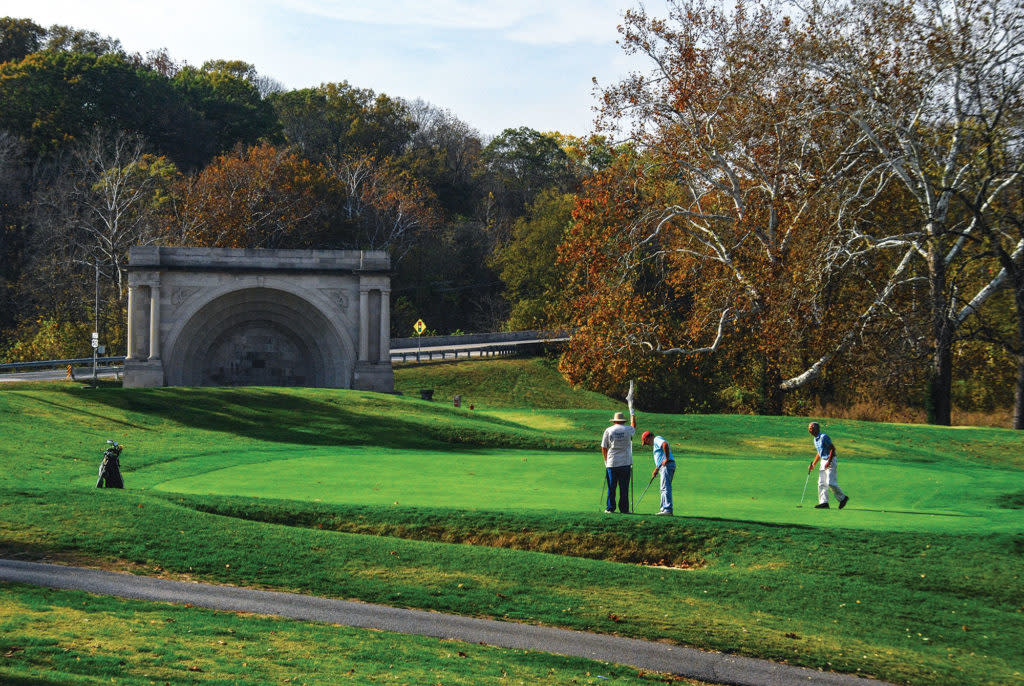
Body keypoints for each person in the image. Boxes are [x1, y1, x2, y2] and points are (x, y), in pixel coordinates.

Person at [601, 411, 636, 513]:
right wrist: (632, 414)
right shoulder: (628, 429)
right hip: (625, 463)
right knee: (624, 488)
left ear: (614, 421)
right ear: (623, 421)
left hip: (612, 463)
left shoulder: (608, 430)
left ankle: (610, 508)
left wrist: (605, 461)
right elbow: (634, 426)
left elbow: (604, 447)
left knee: (612, 487)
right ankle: (624, 509)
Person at [808, 422, 847, 509]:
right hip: (823, 460)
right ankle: (824, 502)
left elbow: (832, 448)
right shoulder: (815, 439)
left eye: (811, 428)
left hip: (831, 460)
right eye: (809, 428)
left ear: (817, 429)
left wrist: (829, 461)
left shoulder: (823, 437)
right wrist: (813, 464)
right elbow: (819, 452)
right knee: (821, 483)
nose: (809, 430)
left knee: (830, 482)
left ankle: (843, 498)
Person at [641, 430, 676, 515]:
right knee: (663, 487)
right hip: (664, 467)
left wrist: (667, 458)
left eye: (646, 442)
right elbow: (661, 457)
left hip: (667, 465)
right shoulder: (656, 442)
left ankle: (667, 509)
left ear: (648, 438)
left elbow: (665, 444)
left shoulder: (657, 439)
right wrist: (657, 469)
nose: (647, 444)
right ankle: (664, 509)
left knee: (665, 487)